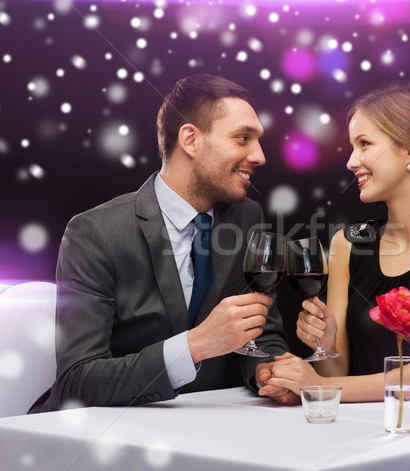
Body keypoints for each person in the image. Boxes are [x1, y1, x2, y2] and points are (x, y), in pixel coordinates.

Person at [30, 74, 296, 413]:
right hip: (95, 438)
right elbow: (78, 381)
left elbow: (262, 335)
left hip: (203, 430)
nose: (259, 156)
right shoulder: (94, 232)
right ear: (190, 140)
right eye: (243, 138)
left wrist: (269, 372)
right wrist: (194, 346)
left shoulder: (247, 217)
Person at [259, 81, 410, 402]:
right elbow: (339, 372)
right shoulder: (349, 243)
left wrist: (315, 386)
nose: (351, 161)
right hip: (367, 430)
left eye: (365, 144)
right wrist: (325, 346)